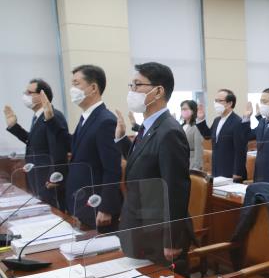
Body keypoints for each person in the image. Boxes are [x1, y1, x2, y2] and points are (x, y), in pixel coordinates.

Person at [115, 62, 191, 266]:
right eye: (131, 85)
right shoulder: (148, 126)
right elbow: (143, 164)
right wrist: (122, 140)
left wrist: (172, 239)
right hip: (140, 223)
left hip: (157, 232)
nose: (132, 91)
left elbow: (175, 189)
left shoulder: (169, 131)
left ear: (158, 91)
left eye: (137, 85)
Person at [58, 64, 122, 231]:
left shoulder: (105, 120)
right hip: (81, 202)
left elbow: (112, 169)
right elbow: (76, 151)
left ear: (93, 87)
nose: (72, 89)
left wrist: (106, 208)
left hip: (97, 206)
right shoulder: (85, 118)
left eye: (76, 83)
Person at [4, 78, 70, 207]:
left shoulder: (53, 116)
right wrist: (14, 126)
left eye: (29, 92)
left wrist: (55, 176)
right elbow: (35, 143)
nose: (25, 96)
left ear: (42, 96)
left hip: (48, 180)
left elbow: (58, 148)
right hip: (37, 176)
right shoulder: (37, 117)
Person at [195, 89, 248, 180]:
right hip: (217, 168)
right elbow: (208, 136)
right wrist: (201, 120)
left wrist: (237, 172)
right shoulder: (217, 120)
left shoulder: (237, 122)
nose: (216, 103)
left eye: (220, 101)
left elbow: (240, 150)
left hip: (231, 171)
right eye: (215, 101)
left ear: (230, 103)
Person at [180, 100, 204, 170]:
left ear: (193, 111)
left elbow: (198, 148)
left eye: (185, 109)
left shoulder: (196, 127)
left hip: (191, 162)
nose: (183, 111)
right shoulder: (180, 126)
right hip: (181, 161)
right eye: (182, 109)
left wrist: (196, 167)